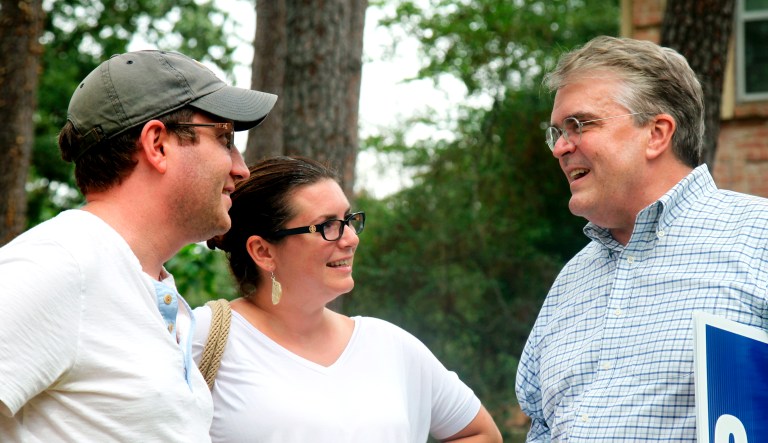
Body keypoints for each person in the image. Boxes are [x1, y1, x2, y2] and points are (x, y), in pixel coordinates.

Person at [0, 50, 277, 441]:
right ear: (158, 144)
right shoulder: (61, 265)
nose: (241, 168)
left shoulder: (149, 291)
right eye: (225, 139)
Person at [514, 35, 768, 442]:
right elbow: (541, 427)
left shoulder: (759, 238)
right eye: (557, 132)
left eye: (579, 124)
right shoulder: (569, 283)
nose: (560, 147)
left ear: (656, 133)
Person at [193, 156, 502, 443]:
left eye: (349, 219)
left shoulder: (389, 345)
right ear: (263, 251)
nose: (351, 238)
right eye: (327, 225)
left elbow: (480, 433)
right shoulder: (201, 339)